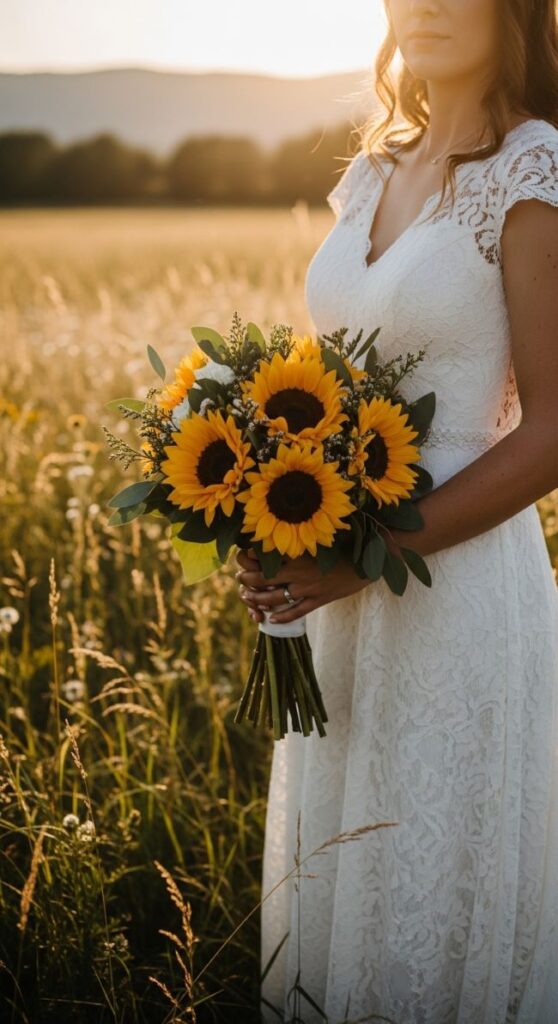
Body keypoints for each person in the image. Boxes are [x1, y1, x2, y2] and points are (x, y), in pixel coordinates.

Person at [235, 0, 558, 1020]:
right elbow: (323, 390)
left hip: (455, 594)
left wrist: (367, 555)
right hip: (336, 598)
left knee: (431, 885)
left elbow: (553, 429)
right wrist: (263, 516)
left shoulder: (533, 167)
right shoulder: (370, 170)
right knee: (345, 876)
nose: (422, 3)